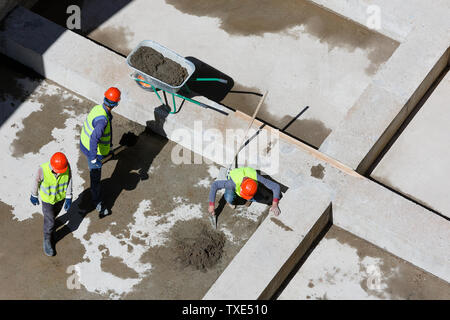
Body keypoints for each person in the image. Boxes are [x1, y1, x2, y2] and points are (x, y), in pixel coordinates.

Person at [79, 87, 121, 218]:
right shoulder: (102, 121)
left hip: (84, 144)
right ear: (116, 103)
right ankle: (98, 203)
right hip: (94, 152)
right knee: (96, 179)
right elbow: (94, 138)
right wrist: (93, 158)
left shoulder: (98, 109)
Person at [30, 152, 72, 257]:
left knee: (54, 216)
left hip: (59, 198)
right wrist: (34, 195)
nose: (59, 173)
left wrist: (68, 196)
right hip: (47, 200)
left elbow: (69, 180)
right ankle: (47, 239)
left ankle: (51, 225)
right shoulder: (42, 169)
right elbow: (36, 181)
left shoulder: (65, 166)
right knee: (50, 221)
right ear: (52, 166)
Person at [208, 167, 281, 217]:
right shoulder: (231, 183)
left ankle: (248, 198)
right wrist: (211, 205)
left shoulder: (254, 175)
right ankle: (239, 200)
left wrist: (274, 204)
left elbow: (276, 187)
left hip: (250, 189)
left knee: (270, 199)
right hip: (233, 182)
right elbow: (215, 185)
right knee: (229, 198)